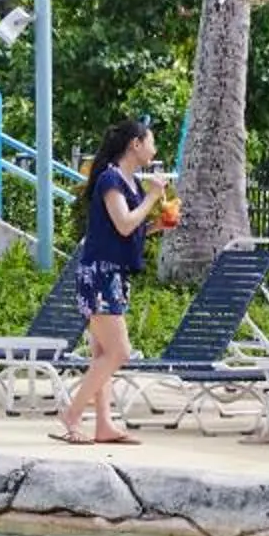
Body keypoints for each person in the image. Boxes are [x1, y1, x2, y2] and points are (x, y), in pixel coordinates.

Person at [54, 118, 169, 446]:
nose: (154, 148)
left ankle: (104, 425)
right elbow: (122, 224)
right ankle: (72, 414)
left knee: (102, 353)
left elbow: (130, 230)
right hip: (100, 274)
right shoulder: (110, 180)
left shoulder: (128, 184)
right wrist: (152, 198)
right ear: (135, 143)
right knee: (120, 352)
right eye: (151, 141)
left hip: (114, 273)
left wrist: (157, 225)